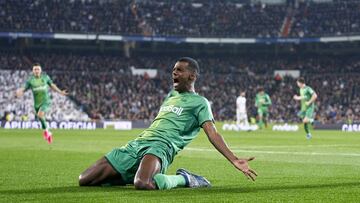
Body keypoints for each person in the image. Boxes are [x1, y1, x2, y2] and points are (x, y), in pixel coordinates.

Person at [79, 57, 257, 190]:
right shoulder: (170, 97)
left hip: (161, 147)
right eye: (174, 70)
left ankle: (185, 179)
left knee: (143, 184)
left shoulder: (200, 102)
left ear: (192, 76)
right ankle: (135, 171)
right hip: (137, 143)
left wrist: (233, 159)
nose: (174, 73)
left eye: (179, 70)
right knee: (85, 180)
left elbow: (213, 133)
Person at [16, 63, 68, 144]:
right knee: (40, 117)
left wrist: (60, 92)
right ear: (33, 71)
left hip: (46, 101)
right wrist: (20, 91)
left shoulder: (45, 77)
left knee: (40, 115)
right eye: (35, 69)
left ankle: (47, 132)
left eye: (38, 69)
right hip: (37, 104)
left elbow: (52, 85)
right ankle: (47, 132)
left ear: (41, 70)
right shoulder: (30, 81)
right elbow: (24, 88)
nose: (36, 71)